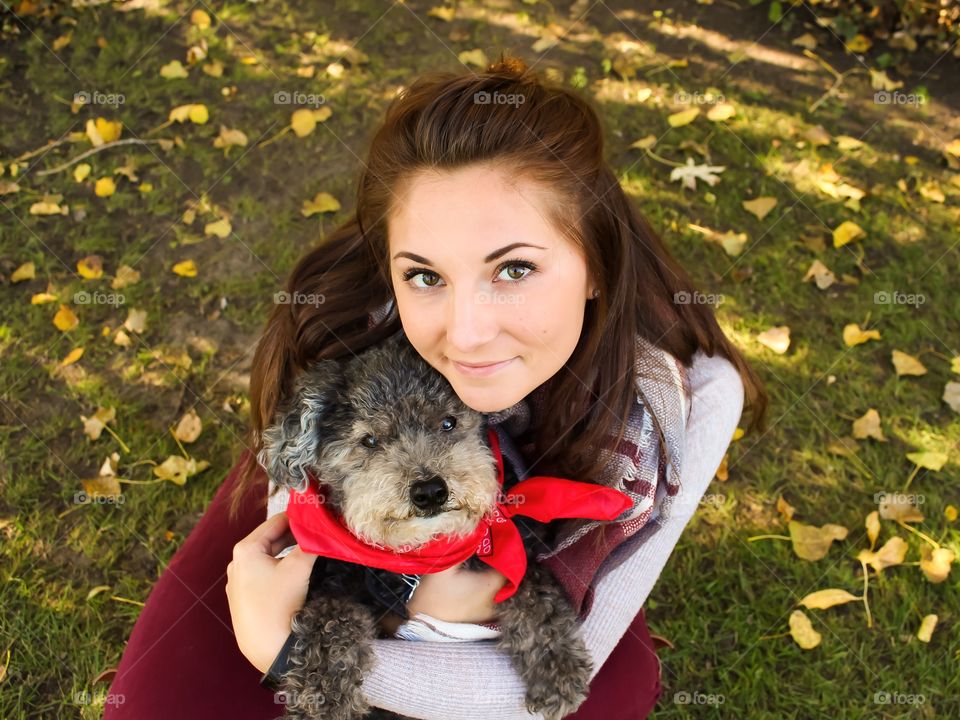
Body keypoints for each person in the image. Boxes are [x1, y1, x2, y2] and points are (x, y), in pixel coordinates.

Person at [105, 55, 766, 719]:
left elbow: (537, 688)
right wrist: (283, 625)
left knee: (594, 700)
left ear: (596, 264)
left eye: (513, 268)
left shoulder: (685, 406)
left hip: (545, 565)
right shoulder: (347, 322)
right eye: (425, 275)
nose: (467, 334)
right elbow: (298, 477)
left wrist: (281, 643)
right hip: (335, 516)